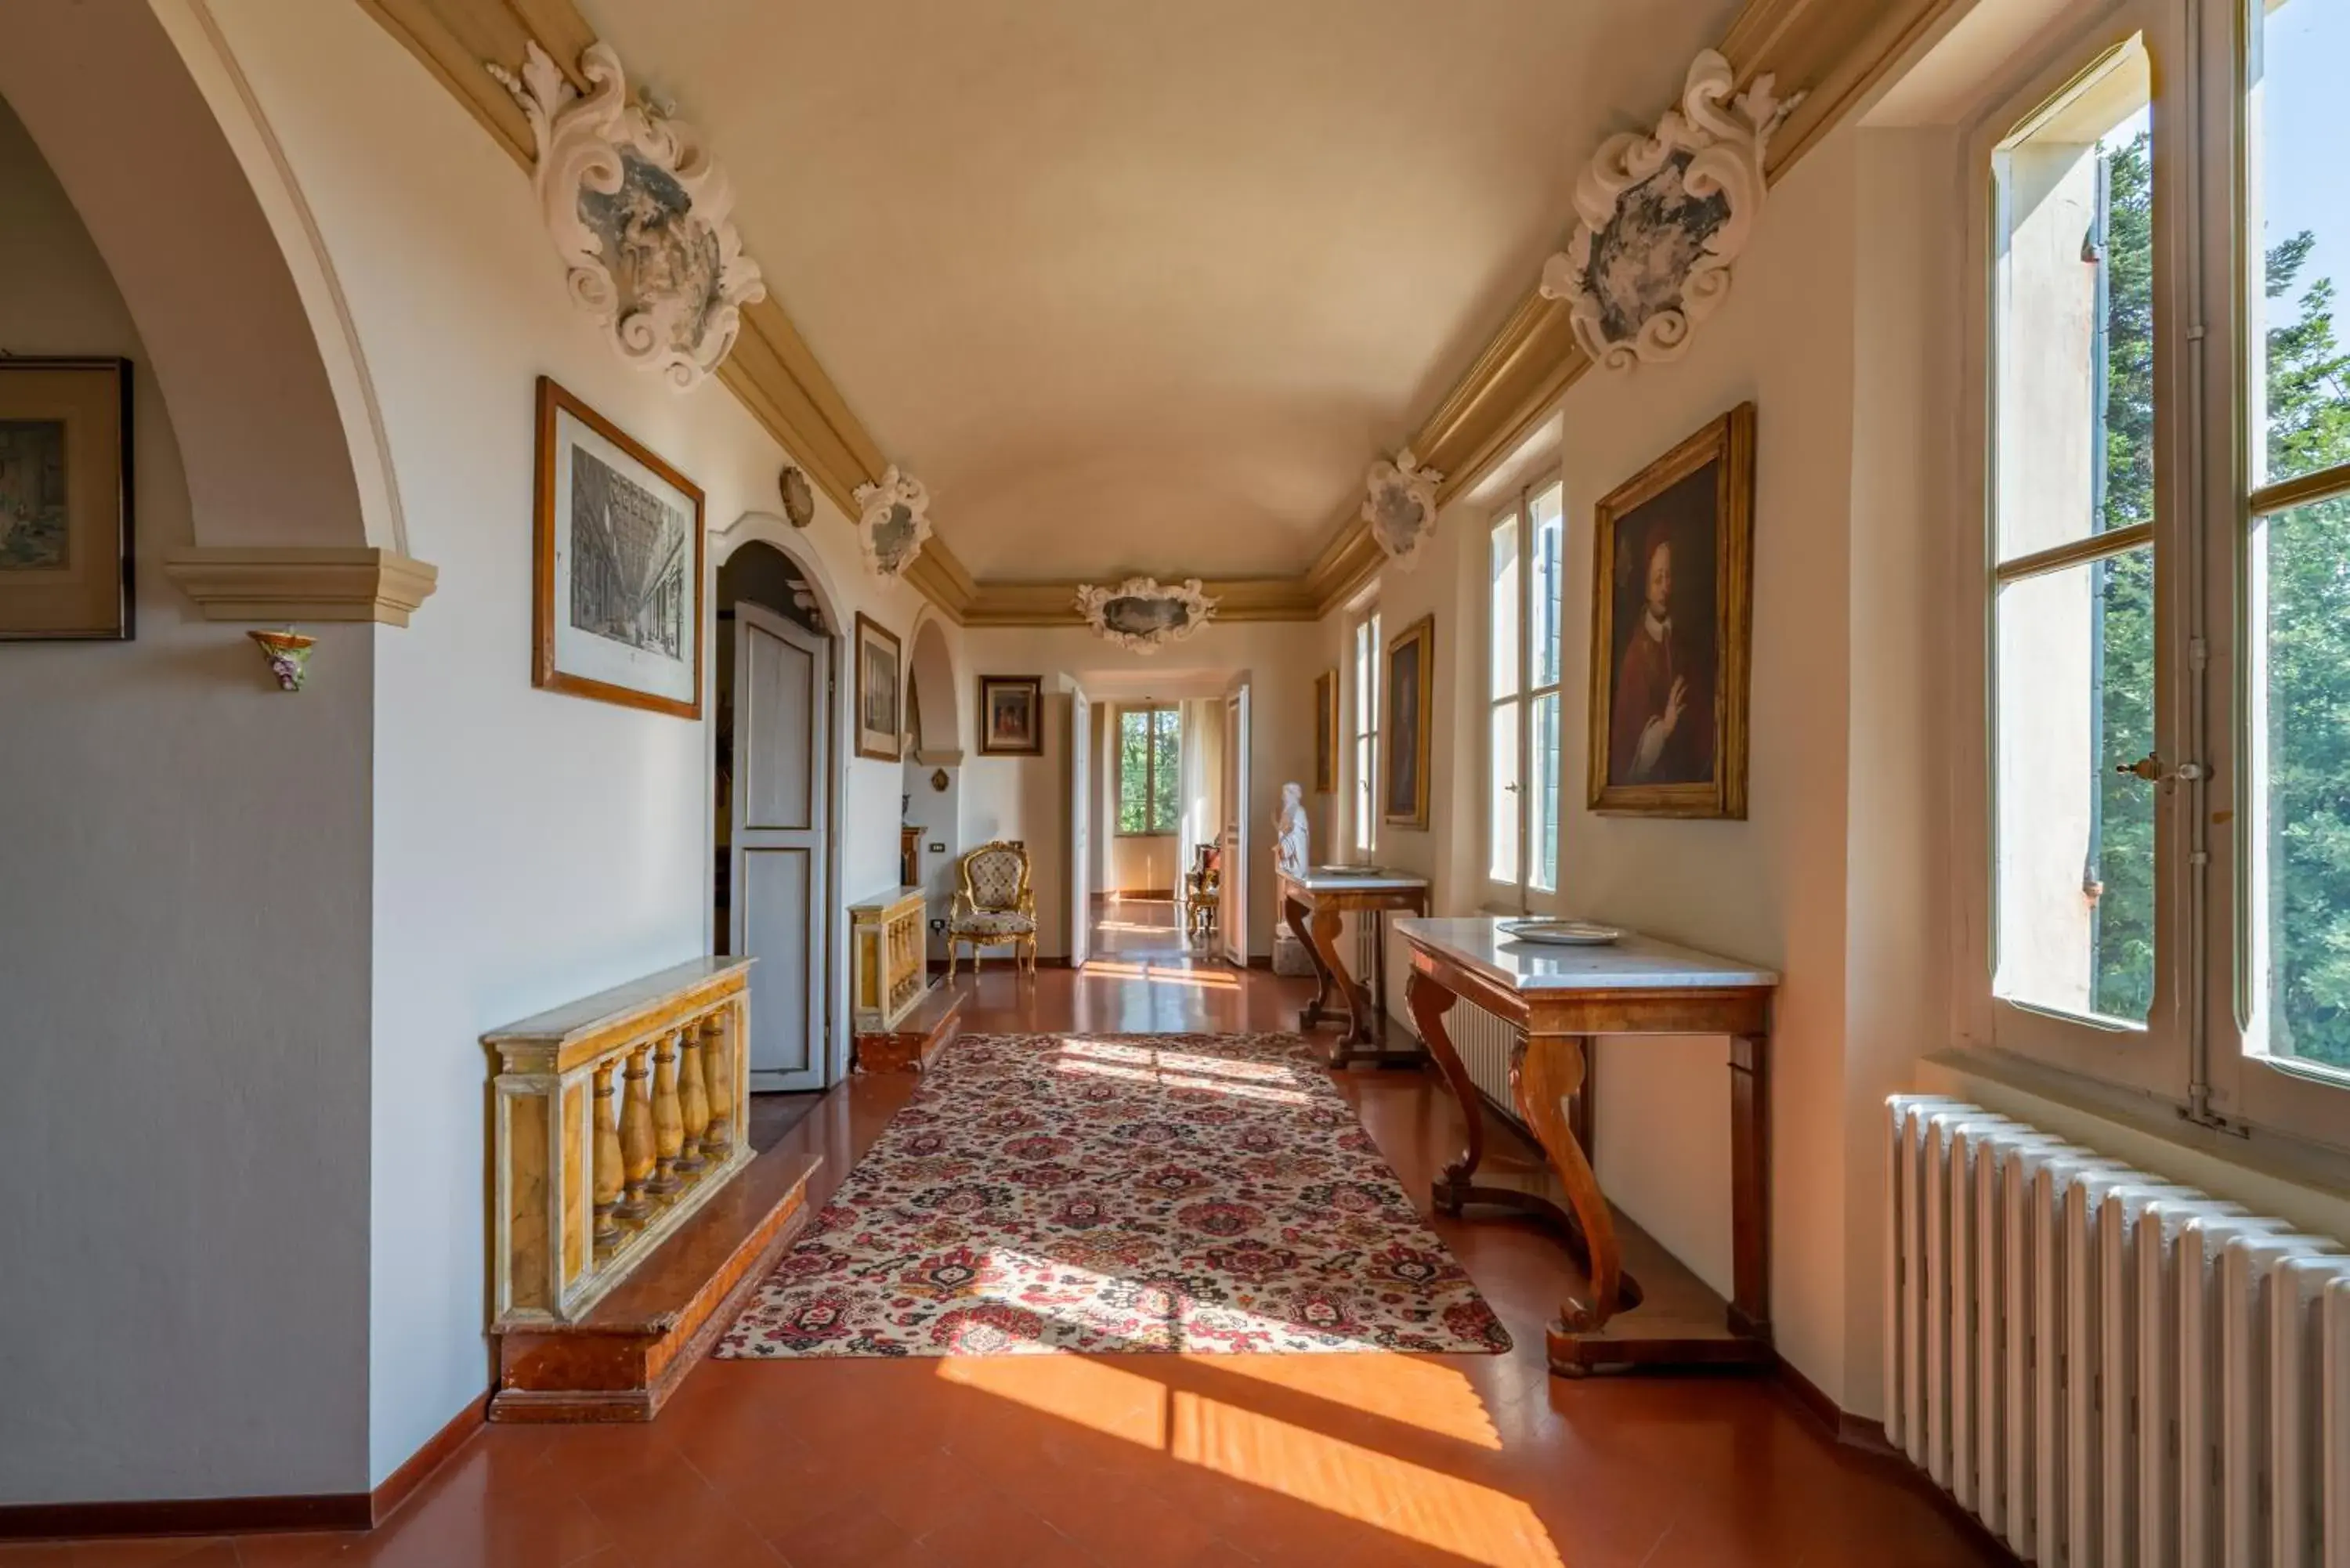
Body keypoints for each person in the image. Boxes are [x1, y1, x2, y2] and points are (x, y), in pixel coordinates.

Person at [1610, 524, 1710, 785]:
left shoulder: (1681, 645)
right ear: (1644, 583)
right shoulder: (1636, 655)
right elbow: (1626, 751)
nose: (1665, 587)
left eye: (1669, 577)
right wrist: (1664, 728)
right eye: (1658, 579)